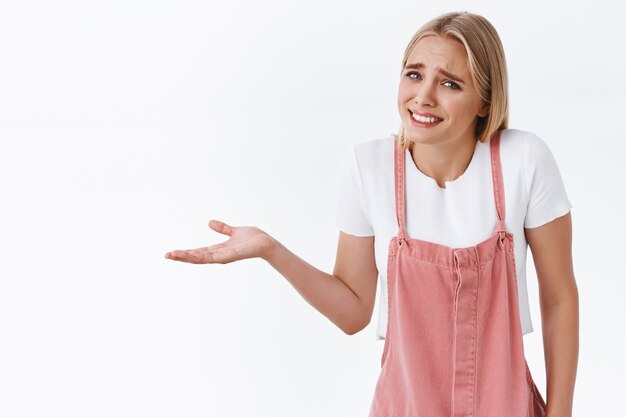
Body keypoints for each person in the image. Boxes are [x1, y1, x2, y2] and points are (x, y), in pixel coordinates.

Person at [165, 11, 578, 417]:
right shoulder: (369, 167)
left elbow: (559, 298)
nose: (423, 97)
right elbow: (353, 312)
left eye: (449, 83)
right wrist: (271, 250)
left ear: (485, 101)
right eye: (414, 74)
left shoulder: (523, 160)